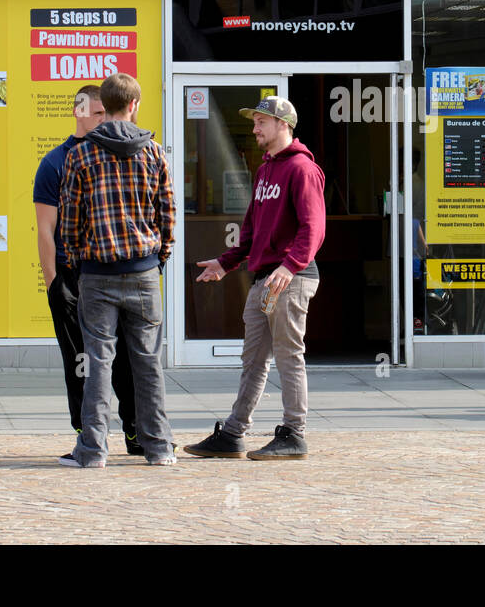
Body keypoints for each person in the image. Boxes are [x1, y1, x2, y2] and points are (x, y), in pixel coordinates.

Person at [186, 95, 326, 460]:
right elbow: (251, 232)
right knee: (254, 359)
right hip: (265, 278)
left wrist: (289, 266)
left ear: (283, 125)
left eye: (260, 122)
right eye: (254, 122)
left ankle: (294, 433)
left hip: (290, 278)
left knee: (288, 355)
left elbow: (314, 229)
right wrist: (225, 262)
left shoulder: (301, 169)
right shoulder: (265, 170)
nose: (254, 129)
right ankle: (233, 433)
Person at [57, 73, 176, 466]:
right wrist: (158, 258)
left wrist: (75, 262)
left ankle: (93, 450)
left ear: (103, 108)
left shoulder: (80, 155)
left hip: (97, 274)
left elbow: (70, 221)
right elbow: (167, 215)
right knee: (148, 364)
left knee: (97, 363)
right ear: (136, 105)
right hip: (143, 273)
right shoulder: (155, 152)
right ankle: (158, 448)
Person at [34, 84, 142, 455]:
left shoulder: (117, 155)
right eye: (97, 114)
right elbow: (45, 229)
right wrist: (54, 284)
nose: (104, 121)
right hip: (73, 277)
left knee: (128, 359)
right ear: (79, 113)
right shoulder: (55, 163)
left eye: (106, 113)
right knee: (81, 362)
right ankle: (88, 437)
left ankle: (135, 432)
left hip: (114, 273)